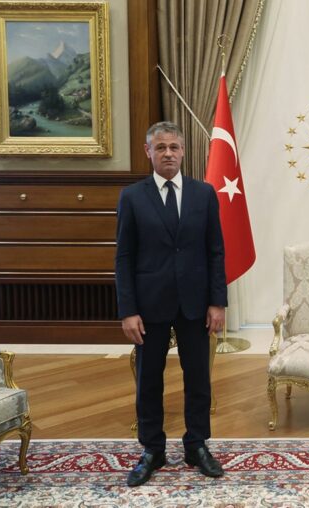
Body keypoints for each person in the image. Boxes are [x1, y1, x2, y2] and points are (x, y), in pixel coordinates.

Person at [115, 121, 228, 487]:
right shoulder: (132, 197)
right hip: (149, 306)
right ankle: (153, 449)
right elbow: (124, 257)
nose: (168, 153)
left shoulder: (204, 194)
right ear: (148, 151)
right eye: (160, 147)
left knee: (198, 378)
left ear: (183, 151)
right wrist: (128, 310)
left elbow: (215, 251)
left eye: (174, 147)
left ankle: (197, 445)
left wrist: (218, 302)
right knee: (149, 380)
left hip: (196, 304)